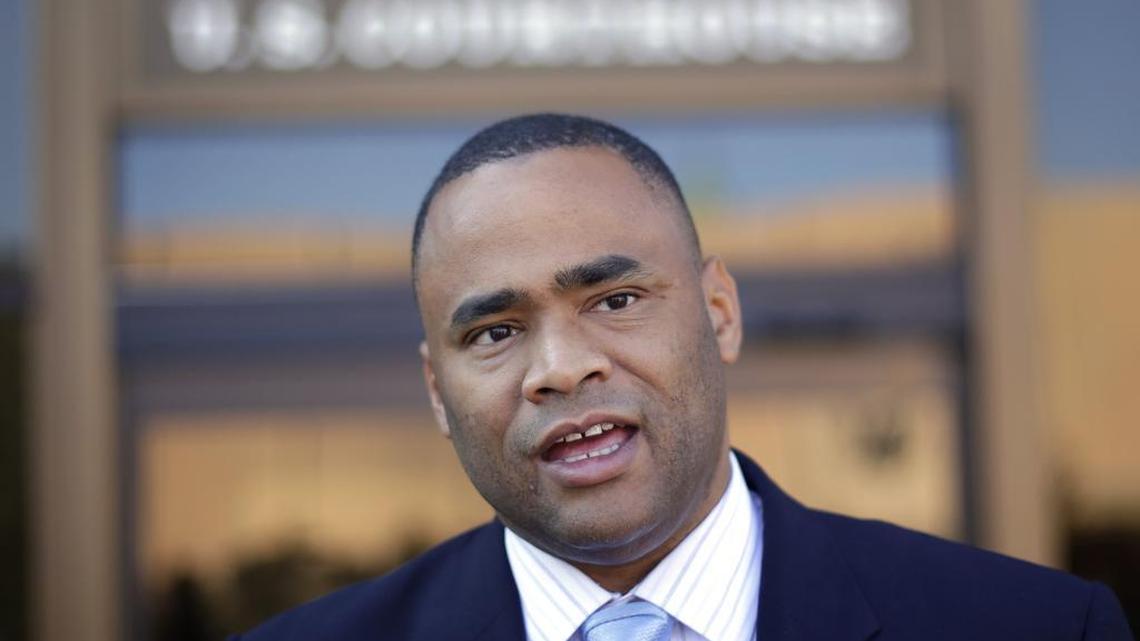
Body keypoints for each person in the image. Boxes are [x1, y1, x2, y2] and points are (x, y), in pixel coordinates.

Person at [232, 114, 1133, 641]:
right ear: (438, 389)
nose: (561, 366)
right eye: (498, 330)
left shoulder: (1035, 627)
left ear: (721, 312)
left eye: (616, 300)